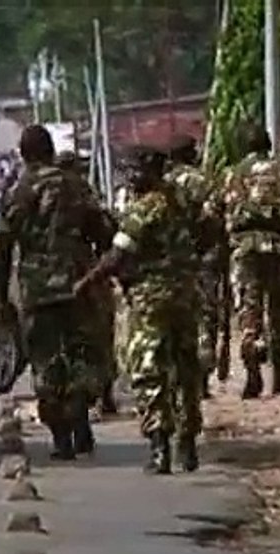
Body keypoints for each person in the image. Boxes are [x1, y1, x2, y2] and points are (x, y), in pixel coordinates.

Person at [74, 146, 203, 473]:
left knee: (149, 370)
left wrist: (86, 283)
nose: (128, 178)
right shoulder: (182, 203)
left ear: (149, 170)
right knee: (186, 368)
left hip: (150, 299)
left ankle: (160, 445)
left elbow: (117, 256)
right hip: (186, 293)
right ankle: (187, 443)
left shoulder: (145, 209)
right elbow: (209, 232)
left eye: (132, 170)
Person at [0, 126, 112, 459]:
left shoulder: (19, 191)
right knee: (83, 354)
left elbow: (4, 245)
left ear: (23, 153)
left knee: (45, 361)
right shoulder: (75, 186)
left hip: (37, 288)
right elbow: (103, 231)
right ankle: (79, 413)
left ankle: (61, 436)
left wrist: (2, 297)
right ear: (49, 150)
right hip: (78, 282)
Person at [221, 121, 280, 398]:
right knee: (279, 311)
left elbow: (225, 212)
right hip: (276, 246)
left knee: (248, 312)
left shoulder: (233, 174)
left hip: (244, 249)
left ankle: (253, 373)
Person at [55, 150, 120, 416]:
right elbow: (106, 232)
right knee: (99, 335)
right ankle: (102, 394)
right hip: (82, 273)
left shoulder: (32, 190)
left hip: (43, 279)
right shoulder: (82, 194)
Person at [166, 135, 227, 399]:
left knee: (176, 318)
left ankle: (177, 376)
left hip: (172, 262)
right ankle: (201, 380)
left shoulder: (163, 184)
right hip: (202, 259)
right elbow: (215, 219)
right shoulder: (202, 182)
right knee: (205, 316)